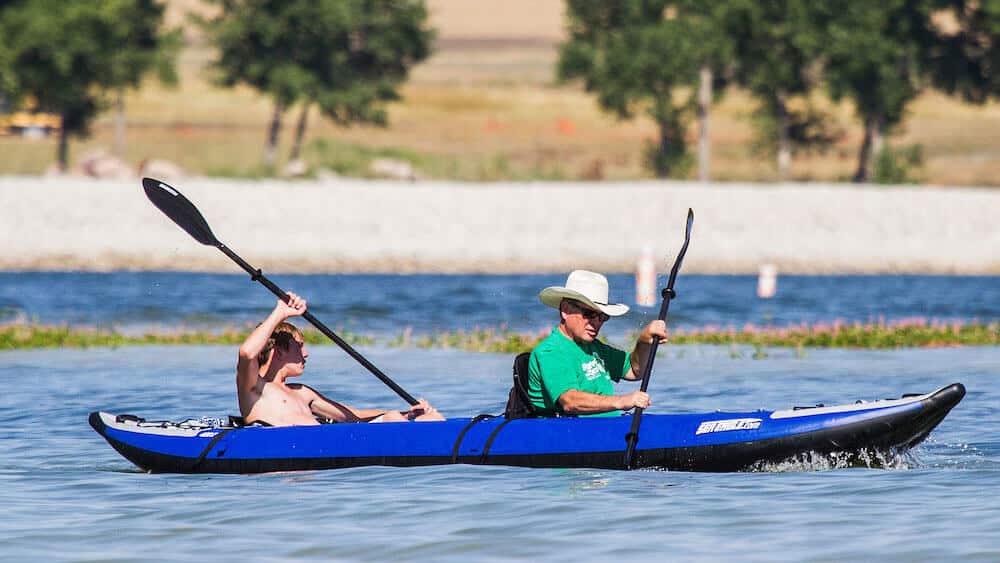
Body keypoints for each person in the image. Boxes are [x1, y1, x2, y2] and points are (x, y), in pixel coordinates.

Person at [236, 292, 444, 426]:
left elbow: (353, 415)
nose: (306, 353)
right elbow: (246, 353)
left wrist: (407, 414)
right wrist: (281, 313)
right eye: (299, 347)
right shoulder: (255, 387)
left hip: (324, 452)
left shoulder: (302, 392)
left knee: (414, 418)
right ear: (279, 351)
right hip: (289, 465)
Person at [527, 270, 668, 417]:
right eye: (589, 314)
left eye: (602, 316)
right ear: (566, 310)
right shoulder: (550, 351)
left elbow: (634, 370)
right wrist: (622, 401)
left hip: (606, 429)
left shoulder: (594, 347)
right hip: (570, 433)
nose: (596, 323)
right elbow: (570, 401)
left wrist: (644, 342)